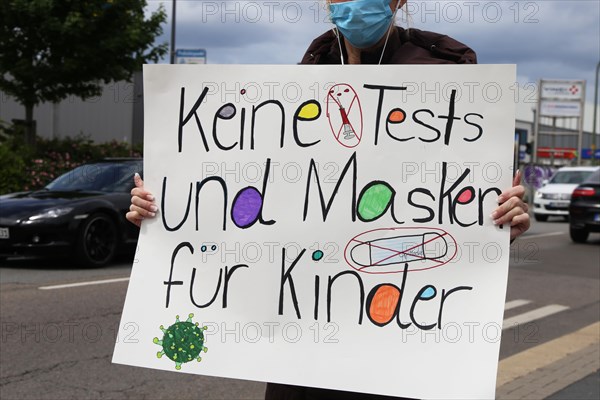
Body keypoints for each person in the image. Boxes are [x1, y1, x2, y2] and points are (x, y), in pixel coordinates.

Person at [126, 1, 530, 399]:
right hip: (301, 365)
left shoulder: (447, 77)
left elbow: (455, 216)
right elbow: (246, 197)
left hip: (398, 362)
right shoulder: (300, 84)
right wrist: (160, 209)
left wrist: (500, 223)